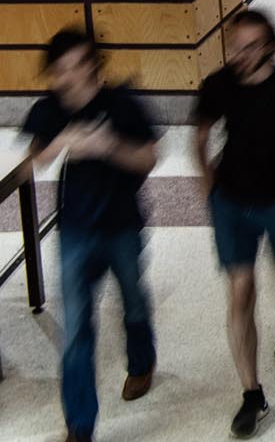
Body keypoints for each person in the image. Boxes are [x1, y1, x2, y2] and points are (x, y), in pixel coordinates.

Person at [23, 28, 159, 442]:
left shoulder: (123, 105)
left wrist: (108, 147)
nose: (73, 76)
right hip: (76, 232)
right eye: (63, 69)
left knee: (133, 300)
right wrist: (64, 141)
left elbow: (149, 158)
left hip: (121, 224)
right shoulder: (50, 111)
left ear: (95, 65)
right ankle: (80, 425)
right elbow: (32, 160)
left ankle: (141, 362)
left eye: (81, 65)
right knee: (77, 327)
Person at [192, 10, 275, 439]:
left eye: (249, 47)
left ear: (268, 46)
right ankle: (252, 393)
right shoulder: (218, 85)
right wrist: (210, 189)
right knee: (240, 290)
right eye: (234, 47)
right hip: (231, 203)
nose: (239, 56)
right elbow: (200, 135)